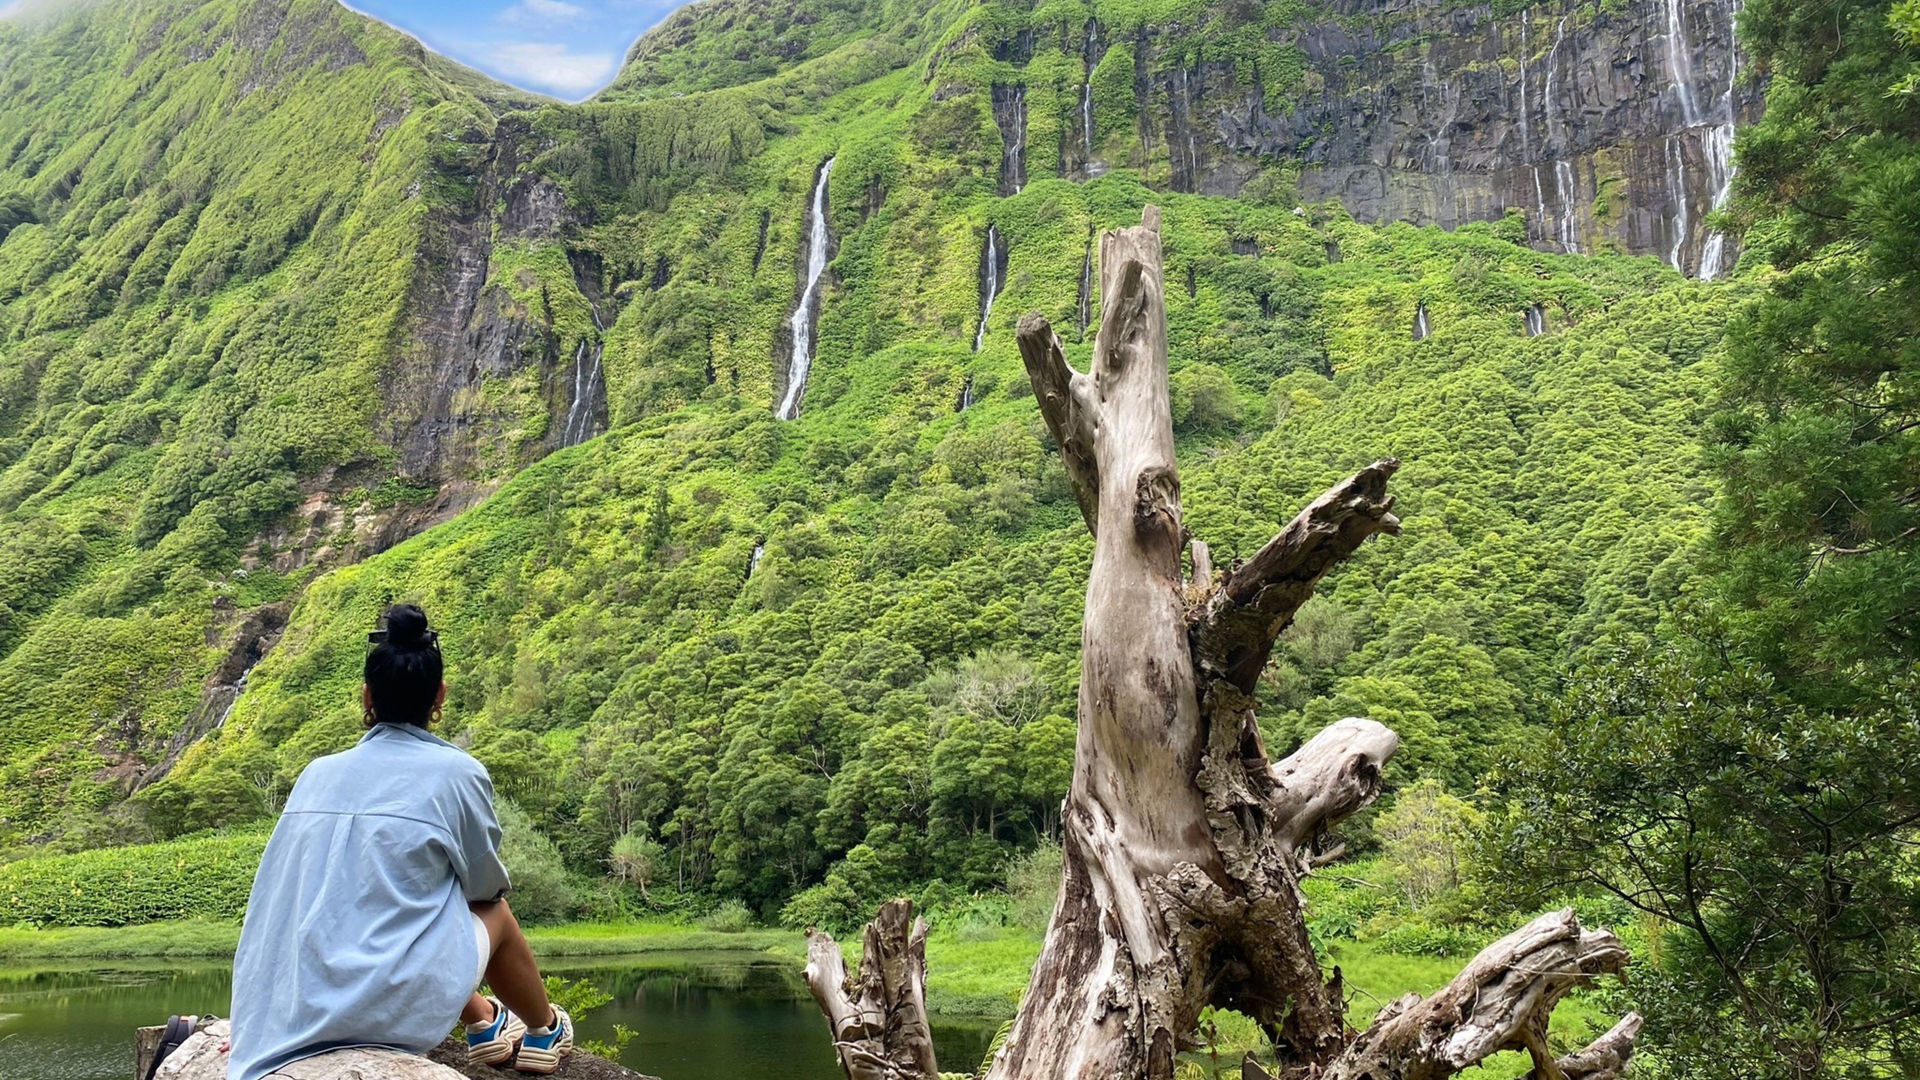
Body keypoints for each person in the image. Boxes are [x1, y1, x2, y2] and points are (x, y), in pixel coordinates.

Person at [228, 604, 574, 1079]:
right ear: (440, 697)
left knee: (384, 910)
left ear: (367, 695)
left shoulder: (316, 775)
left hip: (284, 1006)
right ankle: (543, 1028)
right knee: (492, 911)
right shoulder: (457, 773)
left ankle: (485, 1022)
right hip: (383, 1011)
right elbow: (484, 887)